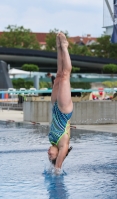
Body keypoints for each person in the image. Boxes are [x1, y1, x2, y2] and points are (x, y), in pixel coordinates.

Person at [48, 32, 73, 172]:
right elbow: (58, 167)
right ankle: (65, 47)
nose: (48, 153)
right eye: (51, 156)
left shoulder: (52, 140)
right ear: (59, 156)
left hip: (55, 107)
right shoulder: (63, 144)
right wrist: (57, 168)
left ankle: (58, 48)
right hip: (64, 111)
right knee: (64, 76)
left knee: (58, 74)